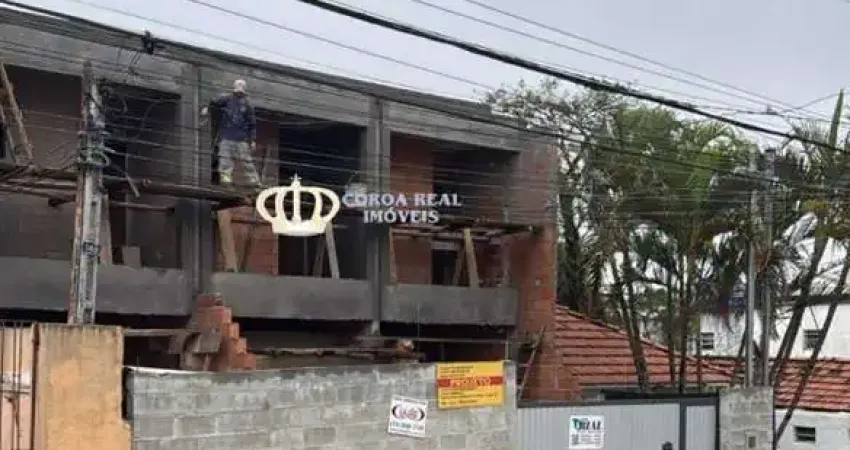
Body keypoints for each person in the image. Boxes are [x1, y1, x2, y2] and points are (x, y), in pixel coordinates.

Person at [201, 79, 261, 187]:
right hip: (226, 137)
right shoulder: (227, 99)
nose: (240, 87)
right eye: (238, 85)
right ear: (234, 87)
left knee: (247, 162)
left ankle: (255, 183)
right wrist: (207, 108)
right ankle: (226, 181)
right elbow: (214, 101)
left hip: (241, 138)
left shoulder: (247, 105)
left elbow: (252, 124)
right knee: (225, 160)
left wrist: (252, 140)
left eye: (242, 85)